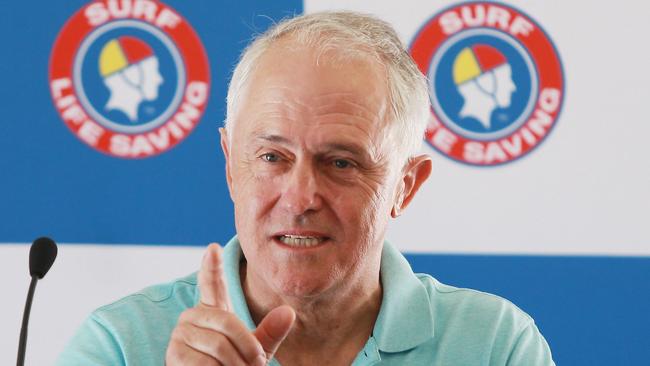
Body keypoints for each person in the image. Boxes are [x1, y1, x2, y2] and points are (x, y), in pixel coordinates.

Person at [58, 11, 555, 366]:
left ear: (406, 186)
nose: (299, 199)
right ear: (232, 165)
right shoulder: (118, 346)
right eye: (273, 158)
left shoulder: (495, 346)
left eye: (340, 163)